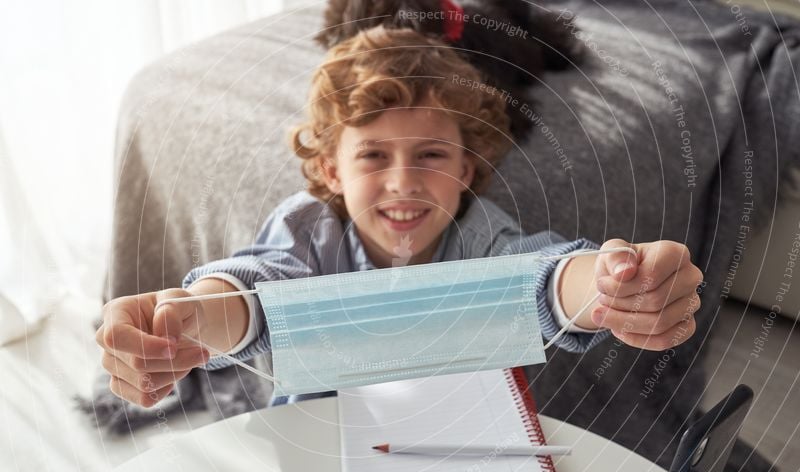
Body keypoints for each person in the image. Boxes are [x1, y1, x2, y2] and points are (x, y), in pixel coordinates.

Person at [96, 26, 703, 408]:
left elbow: (541, 278)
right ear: (332, 171)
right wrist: (191, 316)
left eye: (432, 155)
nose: (404, 182)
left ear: (467, 169)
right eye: (373, 156)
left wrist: (605, 283)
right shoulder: (308, 229)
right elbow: (251, 292)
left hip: (457, 450)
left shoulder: (479, 234)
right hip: (322, 447)